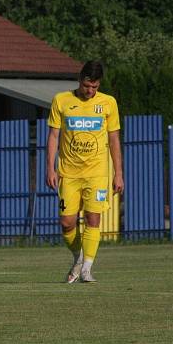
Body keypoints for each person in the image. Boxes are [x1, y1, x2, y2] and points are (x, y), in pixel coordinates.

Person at [46, 61, 123, 283]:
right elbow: (53, 137)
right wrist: (50, 168)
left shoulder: (108, 103)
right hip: (68, 173)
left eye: (95, 87)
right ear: (80, 80)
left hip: (97, 172)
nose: (90, 91)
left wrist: (118, 173)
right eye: (87, 86)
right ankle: (79, 257)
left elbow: (114, 138)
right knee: (66, 222)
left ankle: (87, 268)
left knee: (93, 217)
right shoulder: (61, 100)